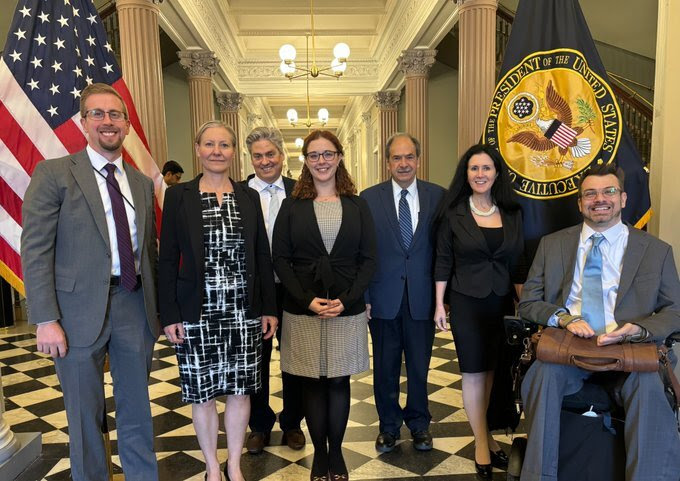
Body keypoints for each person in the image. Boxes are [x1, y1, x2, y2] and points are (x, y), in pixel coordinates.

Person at [21, 83, 160, 481]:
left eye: (115, 114)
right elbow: (35, 250)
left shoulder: (139, 182)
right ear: (83, 123)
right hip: (73, 314)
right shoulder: (54, 174)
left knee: (137, 410)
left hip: (133, 306)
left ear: (127, 126)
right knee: (84, 417)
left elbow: (147, 249)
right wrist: (45, 318)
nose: (107, 122)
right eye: (96, 114)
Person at [518, 162, 680, 481]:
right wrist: (562, 318)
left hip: (631, 349)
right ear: (580, 203)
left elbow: (675, 310)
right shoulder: (552, 245)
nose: (599, 199)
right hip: (568, 348)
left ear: (623, 199)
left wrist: (641, 329)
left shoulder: (657, 251)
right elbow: (529, 302)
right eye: (590, 194)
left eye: (608, 191)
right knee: (542, 375)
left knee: (649, 386)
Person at [159, 120, 278, 481]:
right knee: (203, 394)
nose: (216, 151)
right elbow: (167, 258)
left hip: (243, 311)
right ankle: (212, 466)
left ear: (232, 152)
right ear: (197, 149)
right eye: (209, 144)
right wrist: (170, 314)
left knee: (241, 392)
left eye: (224, 145)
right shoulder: (179, 196)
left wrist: (269, 308)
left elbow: (262, 255)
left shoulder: (248, 196)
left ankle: (235, 464)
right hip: (197, 312)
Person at [272, 130, 376, 481]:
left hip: (346, 308)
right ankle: (320, 456)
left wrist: (346, 300)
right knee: (313, 383)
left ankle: (338, 455)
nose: (321, 161)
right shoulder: (292, 205)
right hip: (302, 309)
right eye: (314, 155)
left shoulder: (357, 204)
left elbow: (369, 259)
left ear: (339, 157)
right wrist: (307, 300)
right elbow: (281, 259)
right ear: (305, 160)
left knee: (338, 381)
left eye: (327, 154)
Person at [433, 144, 524, 479]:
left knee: (491, 373)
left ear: (497, 173)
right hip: (466, 301)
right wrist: (439, 304)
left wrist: (523, 305)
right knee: (472, 372)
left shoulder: (513, 211)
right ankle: (483, 445)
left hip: (501, 303)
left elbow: (518, 263)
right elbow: (443, 259)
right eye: (474, 168)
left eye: (487, 168)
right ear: (466, 173)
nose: (481, 174)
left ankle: (483, 434)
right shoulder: (453, 211)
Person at [360, 133, 445, 453]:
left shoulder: (439, 196)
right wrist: (365, 296)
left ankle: (420, 425)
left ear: (418, 160)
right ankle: (389, 427)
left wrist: (442, 300)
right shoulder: (368, 199)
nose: (404, 163)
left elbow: (443, 251)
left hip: (423, 299)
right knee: (385, 368)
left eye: (409, 157)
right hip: (383, 300)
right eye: (397, 158)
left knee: (420, 368)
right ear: (387, 163)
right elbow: (363, 253)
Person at [242, 126, 305, 454]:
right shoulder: (239, 193)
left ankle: (293, 422)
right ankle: (260, 425)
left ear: (282, 156)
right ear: (250, 158)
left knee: (294, 360)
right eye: (258, 156)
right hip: (253, 294)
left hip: (293, 291)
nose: (265, 161)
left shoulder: (300, 192)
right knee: (257, 361)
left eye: (270, 154)